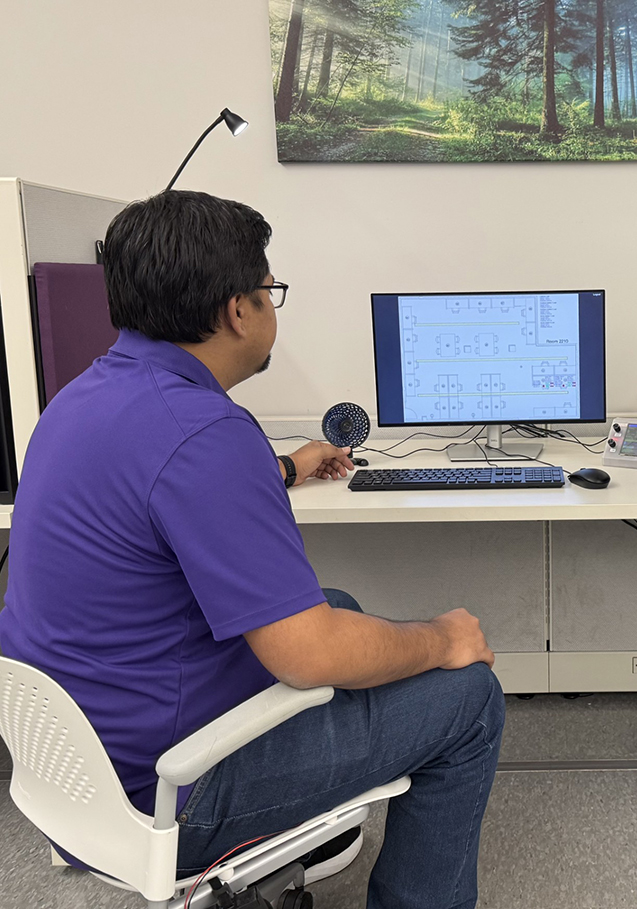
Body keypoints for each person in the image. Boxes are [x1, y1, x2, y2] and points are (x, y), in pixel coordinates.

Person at [0, 189, 505, 909]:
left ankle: (309, 825)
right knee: (468, 694)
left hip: (75, 764)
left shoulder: (85, 397)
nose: (272, 306)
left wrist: (288, 467)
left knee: (338, 603)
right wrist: (444, 638)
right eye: (271, 290)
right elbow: (310, 656)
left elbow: (161, 494)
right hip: (167, 792)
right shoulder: (207, 434)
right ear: (240, 309)